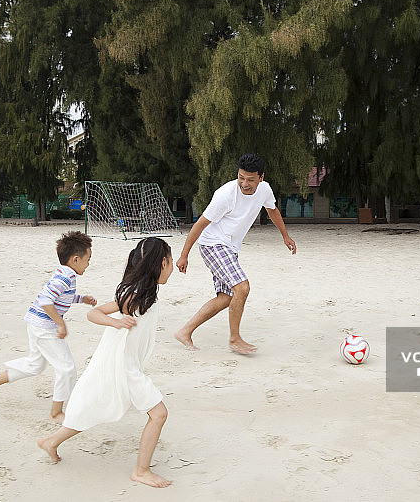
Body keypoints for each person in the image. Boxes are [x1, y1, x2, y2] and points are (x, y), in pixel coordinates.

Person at [37, 237, 174, 489]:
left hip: (127, 363)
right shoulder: (135, 296)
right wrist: (117, 322)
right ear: (163, 262)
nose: (173, 267)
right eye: (171, 261)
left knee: (93, 406)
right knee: (159, 414)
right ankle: (141, 471)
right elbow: (94, 313)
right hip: (125, 366)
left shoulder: (146, 291)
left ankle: (51, 441)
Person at [174, 154, 296, 354]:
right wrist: (184, 254)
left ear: (261, 177)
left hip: (230, 248)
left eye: (250, 179)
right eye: (241, 177)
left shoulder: (264, 190)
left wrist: (285, 236)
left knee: (226, 297)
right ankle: (234, 338)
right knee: (242, 287)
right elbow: (200, 224)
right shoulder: (225, 195)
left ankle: (184, 331)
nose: (244, 184)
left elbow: (272, 210)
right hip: (213, 245)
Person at [0, 231, 97, 423]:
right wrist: (60, 323)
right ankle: (56, 412)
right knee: (66, 369)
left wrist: (81, 299)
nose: (89, 264)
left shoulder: (65, 274)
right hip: (44, 326)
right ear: (76, 259)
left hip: (36, 323)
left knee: (35, 365)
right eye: (88, 259)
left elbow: (59, 297)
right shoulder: (65, 277)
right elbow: (45, 300)